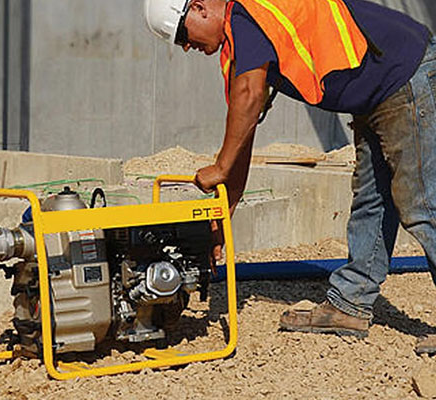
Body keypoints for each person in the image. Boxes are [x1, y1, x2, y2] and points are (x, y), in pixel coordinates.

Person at [144, 0, 436, 354]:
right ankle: (350, 303)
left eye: (182, 36)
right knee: (372, 200)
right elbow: (243, 138)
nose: (188, 47)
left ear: (200, 8)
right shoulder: (244, 42)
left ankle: (352, 300)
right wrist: (224, 217)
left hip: (404, 75)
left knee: (422, 205)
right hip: (382, 88)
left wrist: (219, 166)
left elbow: (249, 97)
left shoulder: (246, 16)